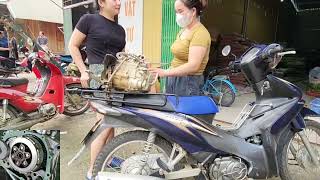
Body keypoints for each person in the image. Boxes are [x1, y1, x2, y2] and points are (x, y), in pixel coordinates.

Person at [68, 0, 125, 179]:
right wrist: (84, 70)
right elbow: (73, 45)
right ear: (101, 2)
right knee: (103, 123)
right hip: (97, 75)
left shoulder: (120, 29)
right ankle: (92, 172)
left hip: (116, 77)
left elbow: (121, 55)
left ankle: (108, 156)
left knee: (113, 121)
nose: (119, 2)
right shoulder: (88, 20)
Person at [150, 0, 210, 96]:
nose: (177, 15)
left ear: (193, 11)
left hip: (188, 83)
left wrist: (165, 72)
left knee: (183, 110)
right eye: (176, 12)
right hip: (174, 79)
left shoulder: (200, 34)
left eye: (180, 11)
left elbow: (193, 66)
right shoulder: (183, 30)